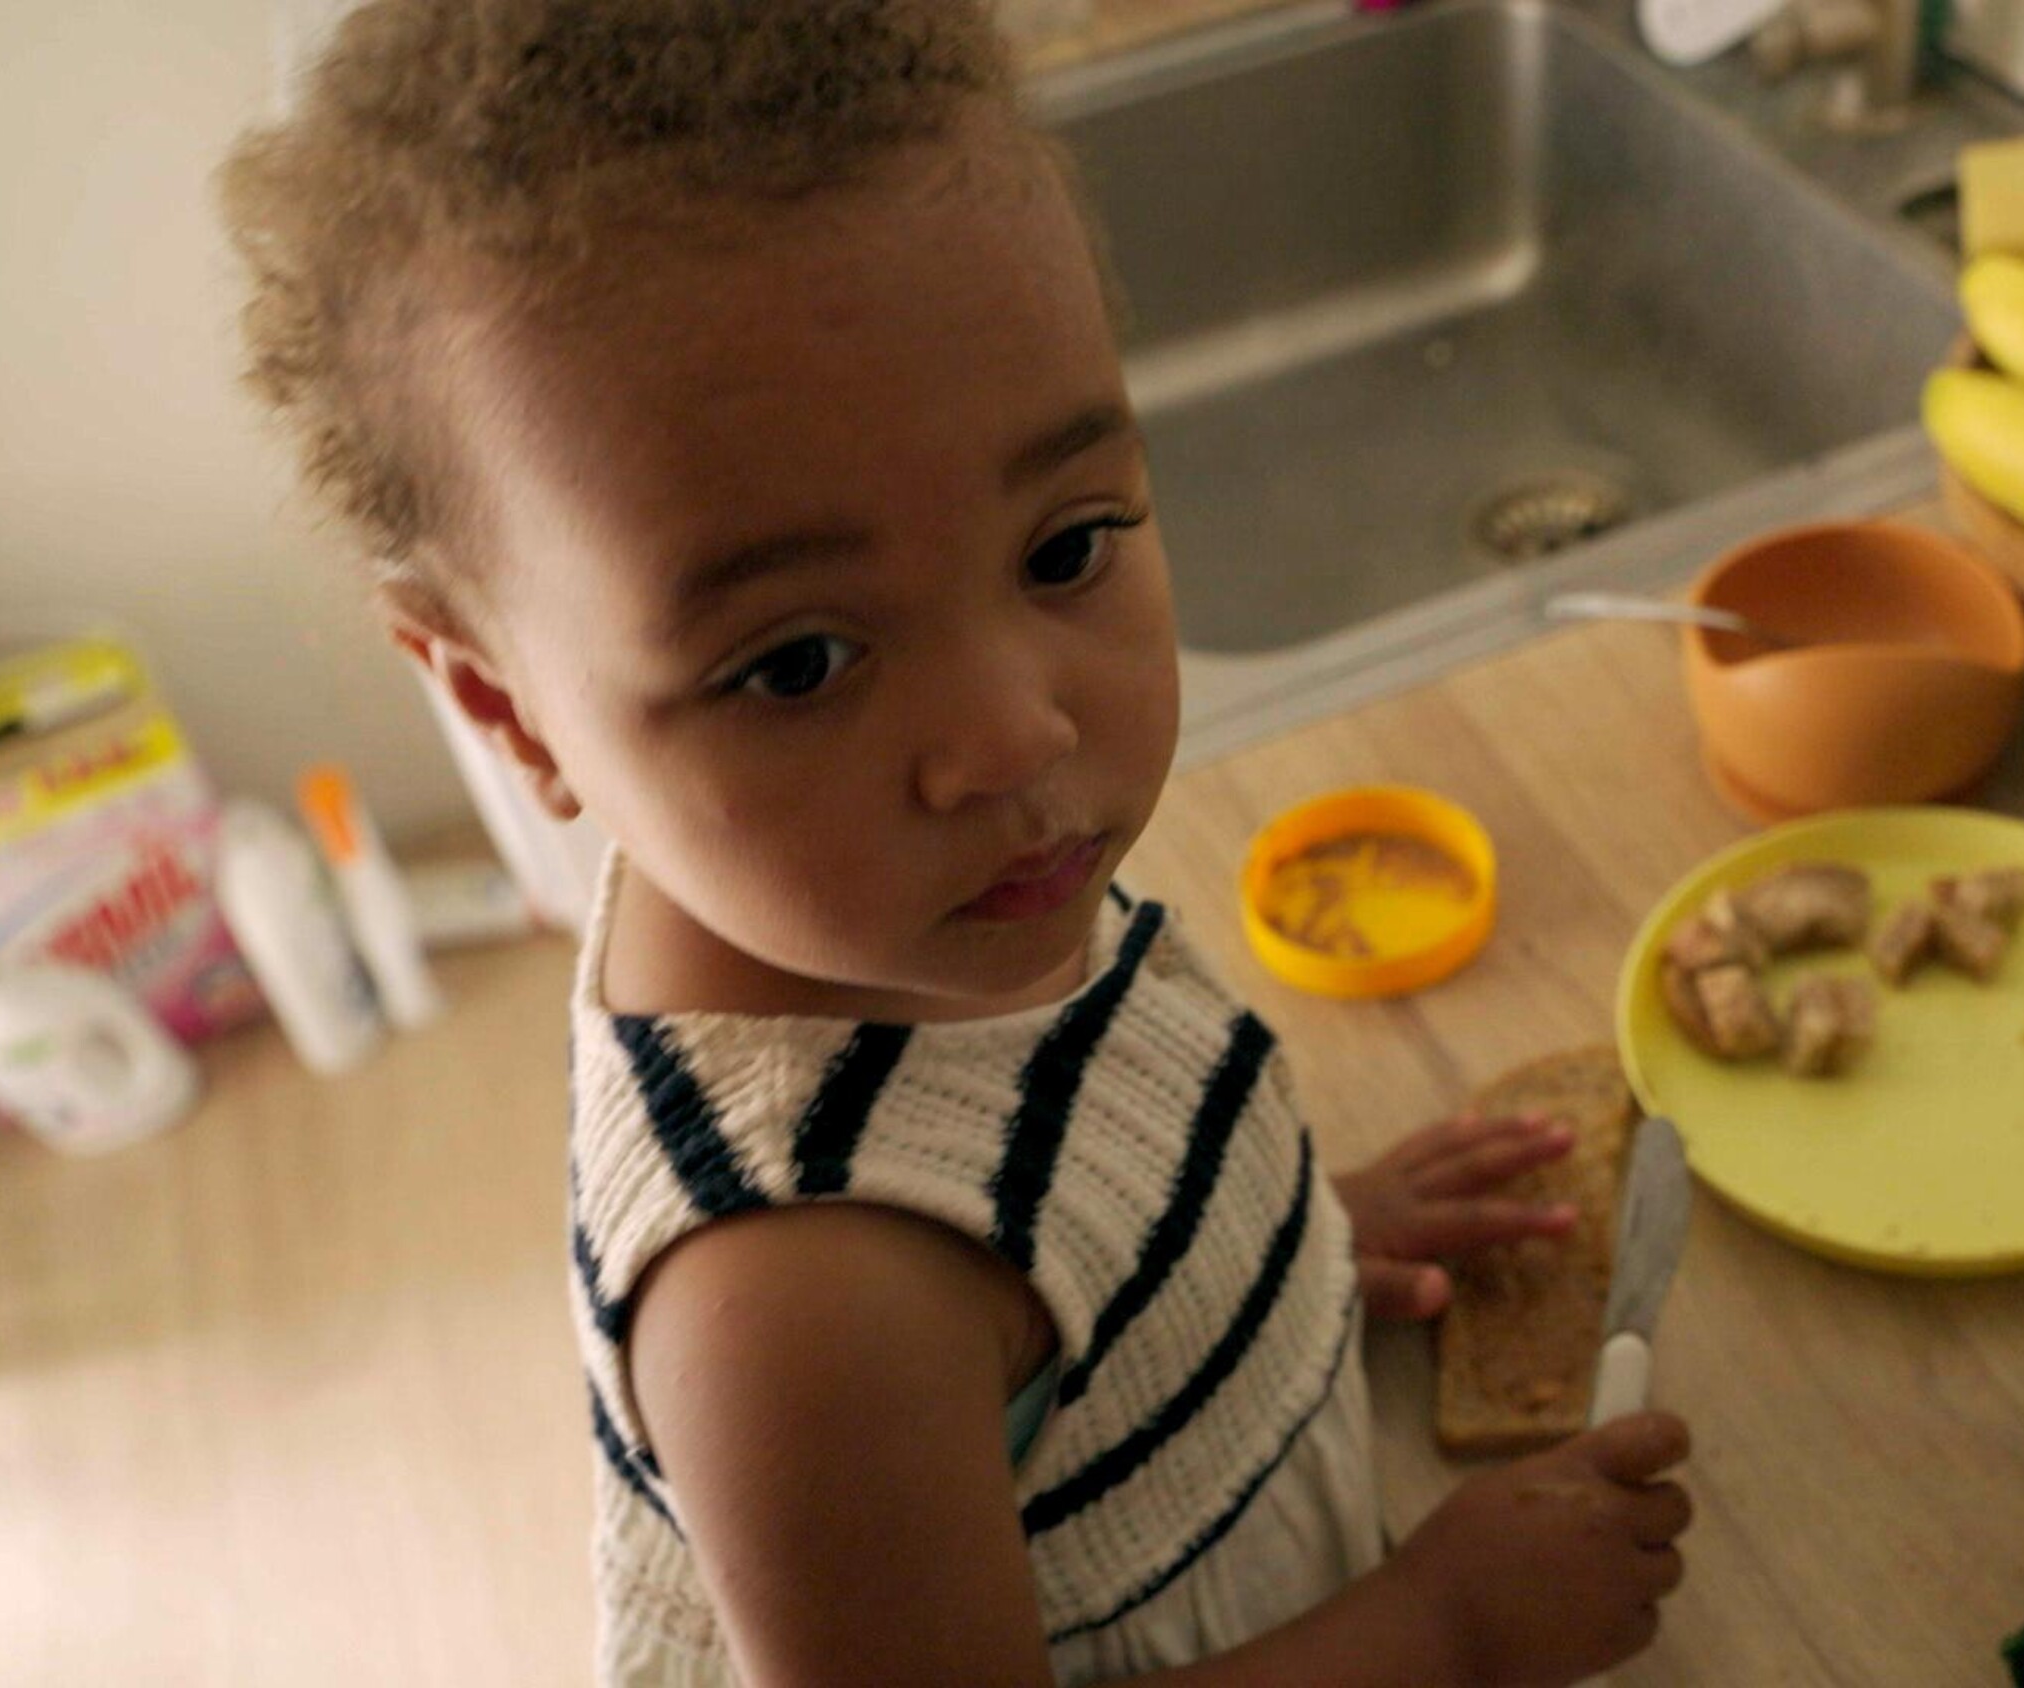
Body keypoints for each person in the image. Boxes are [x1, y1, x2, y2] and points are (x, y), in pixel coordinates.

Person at [216, 3, 1693, 1683]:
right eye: (797, 662)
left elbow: (1052, 1182)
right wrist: (1440, 1629)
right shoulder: (809, 1314)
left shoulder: (893, 891)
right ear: (510, 710)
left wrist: (1276, 1250)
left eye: (1065, 548)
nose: (1016, 731)